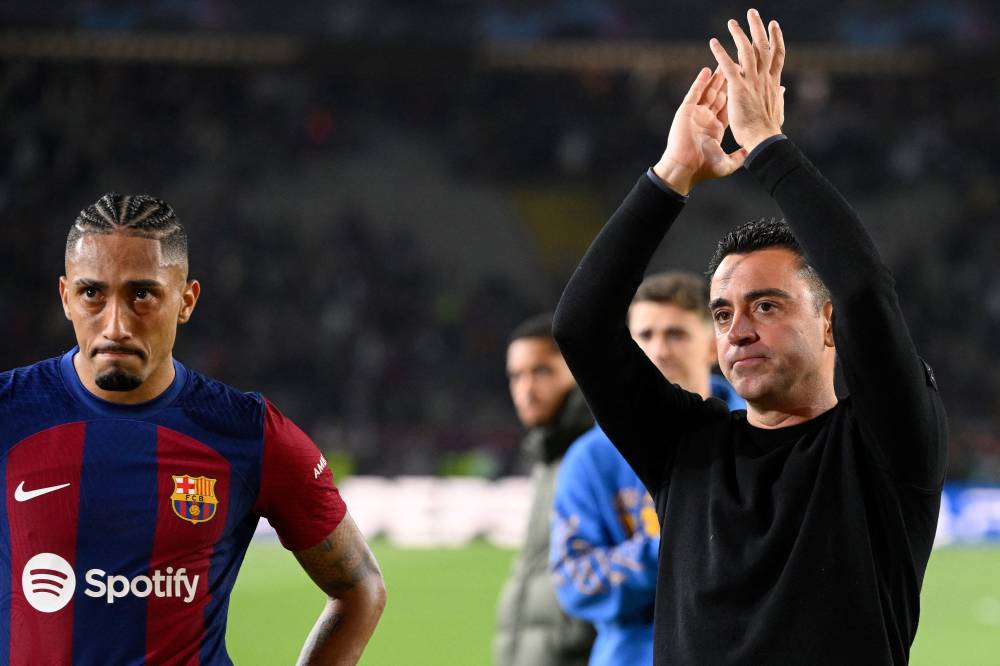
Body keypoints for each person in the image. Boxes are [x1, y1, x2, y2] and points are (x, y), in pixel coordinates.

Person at [552, 9, 946, 664]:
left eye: (766, 305)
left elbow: (866, 294)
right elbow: (582, 326)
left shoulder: (883, 447)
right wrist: (670, 173)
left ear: (827, 323)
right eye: (724, 312)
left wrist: (766, 144)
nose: (738, 329)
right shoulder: (686, 449)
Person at [1, 193, 386, 664]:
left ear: (186, 301)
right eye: (92, 293)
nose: (116, 324)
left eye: (142, 294)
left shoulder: (249, 433)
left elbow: (360, 586)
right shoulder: (9, 412)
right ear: (65, 297)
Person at [550, 271, 744, 666]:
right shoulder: (592, 457)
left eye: (676, 334)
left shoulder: (758, 440)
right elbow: (575, 583)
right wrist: (680, 546)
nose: (659, 350)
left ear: (712, 345)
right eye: (645, 336)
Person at [494, 313, 595, 666]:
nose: (526, 389)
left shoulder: (598, 455)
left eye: (541, 371)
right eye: (516, 376)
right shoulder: (547, 455)